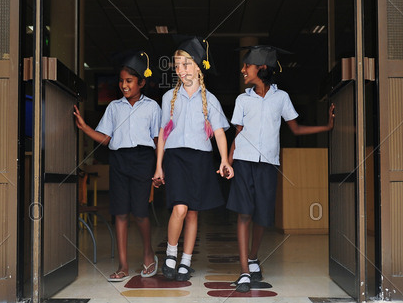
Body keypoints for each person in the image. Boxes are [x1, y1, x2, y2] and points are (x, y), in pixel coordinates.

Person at [226, 45, 335, 292]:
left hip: (268, 163)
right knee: (244, 213)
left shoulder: (281, 98)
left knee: (263, 215)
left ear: (262, 68)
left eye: (247, 65)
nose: (243, 69)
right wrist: (228, 160)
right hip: (244, 161)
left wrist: (326, 127)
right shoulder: (242, 99)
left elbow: (295, 129)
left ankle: (253, 257)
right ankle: (244, 270)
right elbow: (238, 133)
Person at [73, 51, 160, 282]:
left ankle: (148, 255)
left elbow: (157, 141)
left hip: (143, 160)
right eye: (121, 81)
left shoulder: (152, 107)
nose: (124, 85)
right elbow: (106, 138)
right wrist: (85, 128)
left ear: (141, 82)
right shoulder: (114, 107)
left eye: (129, 81)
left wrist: (159, 168)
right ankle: (123, 265)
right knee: (120, 213)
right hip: (119, 160)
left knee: (140, 213)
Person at [152, 36, 234, 282]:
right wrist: (158, 166)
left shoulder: (211, 100)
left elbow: (219, 132)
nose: (180, 69)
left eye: (186, 64)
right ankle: (170, 253)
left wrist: (224, 160)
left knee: (193, 213)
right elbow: (162, 135)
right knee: (179, 207)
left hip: (200, 159)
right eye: (177, 65)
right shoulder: (168, 98)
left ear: (198, 66)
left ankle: (186, 261)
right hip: (175, 157)